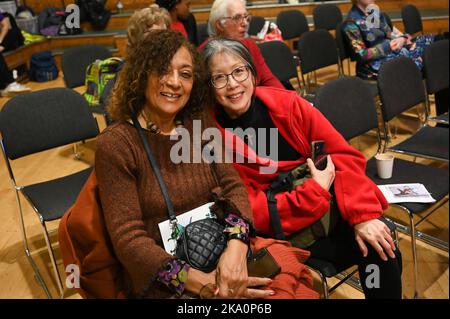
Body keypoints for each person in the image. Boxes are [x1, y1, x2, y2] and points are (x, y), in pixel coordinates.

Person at [202, 38, 403, 299]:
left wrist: (362, 214)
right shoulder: (210, 140)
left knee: (381, 248)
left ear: (252, 73)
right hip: (279, 234)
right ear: (209, 87)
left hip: (326, 212)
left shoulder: (288, 106)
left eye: (239, 71)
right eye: (219, 77)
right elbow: (247, 209)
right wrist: (315, 191)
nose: (232, 84)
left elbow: (338, 156)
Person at [97, 29, 276, 299]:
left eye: (185, 73)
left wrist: (236, 250)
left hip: (223, 255)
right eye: (163, 70)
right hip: (168, 281)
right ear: (141, 75)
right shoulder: (117, 144)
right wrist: (204, 286)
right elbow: (129, 240)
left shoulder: (199, 124)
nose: (174, 83)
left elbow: (233, 187)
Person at [199, 0, 284, 89]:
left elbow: (268, 79)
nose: (245, 23)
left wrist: (288, 100)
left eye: (246, 17)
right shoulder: (204, 55)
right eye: (237, 18)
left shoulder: (249, 45)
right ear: (220, 25)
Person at [343, 0, 436, 80]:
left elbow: (389, 33)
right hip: (375, 63)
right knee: (428, 61)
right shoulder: (351, 22)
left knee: (434, 42)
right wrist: (389, 46)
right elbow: (362, 55)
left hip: (392, 52)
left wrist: (403, 39)